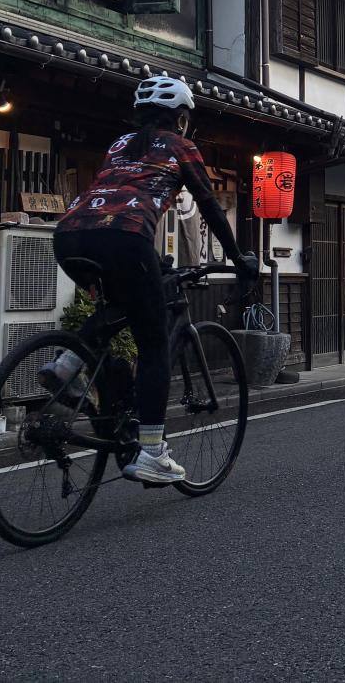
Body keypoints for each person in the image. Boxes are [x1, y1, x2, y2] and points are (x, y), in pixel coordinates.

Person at [45, 75, 258, 484]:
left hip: (70, 237)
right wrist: (239, 259)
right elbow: (210, 206)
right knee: (154, 340)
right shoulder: (181, 146)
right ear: (180, 119)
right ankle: (152, 452)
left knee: (123, 302)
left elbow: (120, 194)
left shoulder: (119, 145)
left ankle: (68, 364)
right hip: (123, 238)